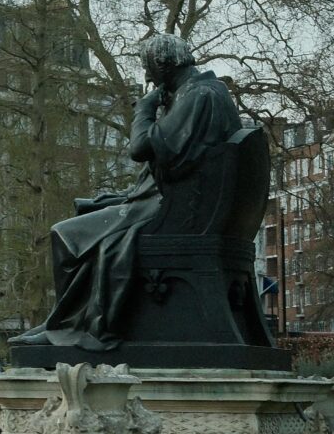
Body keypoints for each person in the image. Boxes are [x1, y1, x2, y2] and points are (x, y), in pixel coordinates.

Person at [12, 34, 242, 352]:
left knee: (65, 235)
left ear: (164, 66)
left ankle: (69, 327)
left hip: (173, 212)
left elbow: (139, 148)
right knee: (88, 219)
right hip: (180, 204)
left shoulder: (199, 94)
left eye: (149, 69)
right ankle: (65, 322)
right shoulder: (204, 92)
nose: (147, 77)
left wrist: (145, 110)